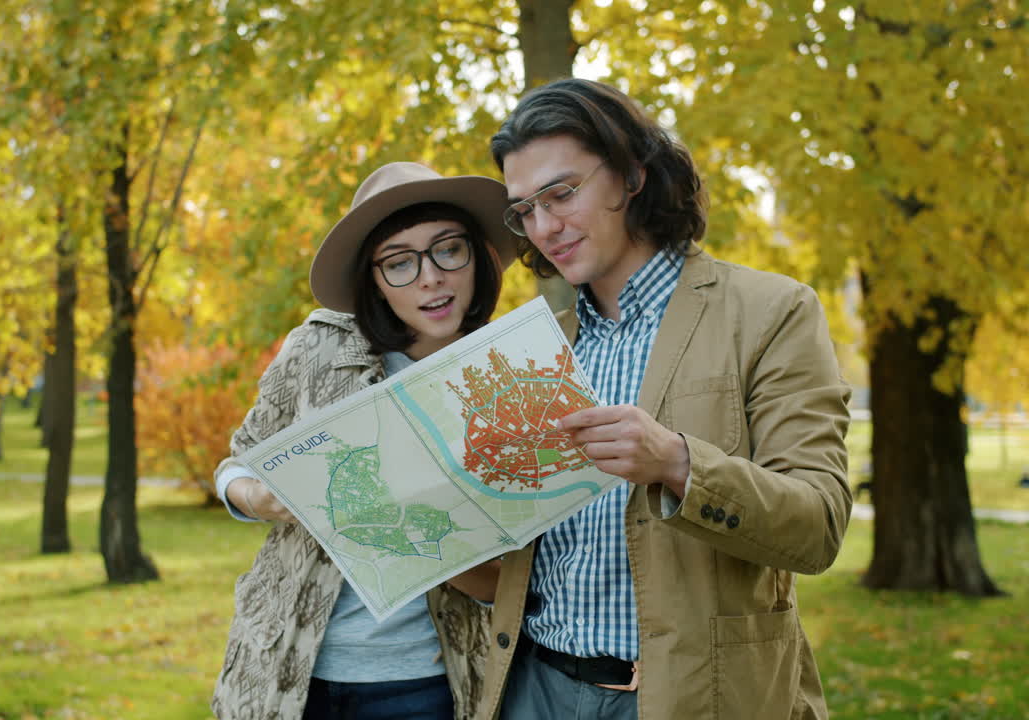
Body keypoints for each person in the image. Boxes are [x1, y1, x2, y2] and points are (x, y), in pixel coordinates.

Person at [476, 78, 852, 720]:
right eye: (525, 211)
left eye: (561, 194)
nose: (544, 227)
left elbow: (817, 527)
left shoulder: (772, 311)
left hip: (692, 696)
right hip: (533, 690)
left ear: (632, 176)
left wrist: (679, 463)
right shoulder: (534, 350)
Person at [210, 161, 517, 720]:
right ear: (373, 279)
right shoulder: (319, 350)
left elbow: (510, 582)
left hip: (424, 683)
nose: (431, 277)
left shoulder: (509, 377)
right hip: (291, 670)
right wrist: (258, 497)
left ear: (477, 256)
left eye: (449, 250)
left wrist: (428, 542)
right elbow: (236, 463)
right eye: (399, 262)